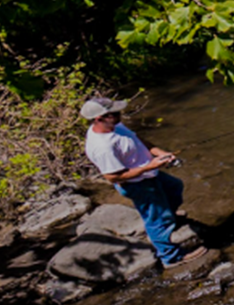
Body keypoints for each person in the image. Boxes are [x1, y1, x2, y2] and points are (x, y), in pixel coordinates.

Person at [79, 96, 213, 273]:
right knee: (157, 219)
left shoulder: (114, 125)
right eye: (113, 113)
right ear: (99, 118)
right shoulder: (102, 147)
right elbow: (113, 177)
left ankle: (168, 217)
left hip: (150, 174)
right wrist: (150, 166)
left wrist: (160, 154)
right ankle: (170, 257)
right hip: (138, 184)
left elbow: (138, 140)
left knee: (175, 187)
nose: (119, 113)